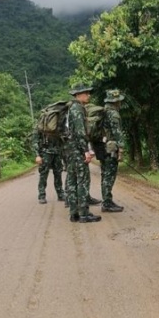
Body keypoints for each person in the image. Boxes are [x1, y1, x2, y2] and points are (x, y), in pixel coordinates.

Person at [64, 82, 102, 223]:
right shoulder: (78, 109)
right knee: (83, 181)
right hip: (78, 150)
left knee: (72, 181)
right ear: (78, 95)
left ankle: (74, 214)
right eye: (86, 93)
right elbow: (80, 132)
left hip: (71, 150)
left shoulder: (71, 108)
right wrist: (86, 151)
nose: (88, 95)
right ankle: (84, 214)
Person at [99, 89, 126, 213]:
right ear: (116, 101)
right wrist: (121, 149)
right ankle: (107, 203)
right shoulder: (114, 114)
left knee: (105, 174)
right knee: (109, 175)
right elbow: (117, 133)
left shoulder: (103, 111)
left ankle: (107, 200)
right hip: (111, 148)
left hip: (102, 147)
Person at [31, 125, 65, 204]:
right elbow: (35, 141)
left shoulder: (58, 123)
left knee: (57, 174)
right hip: (46, 153)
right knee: (44, 174)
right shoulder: (41, 125)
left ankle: (60, 194)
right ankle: (42, 195)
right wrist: (37, 155)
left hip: (55, 152)